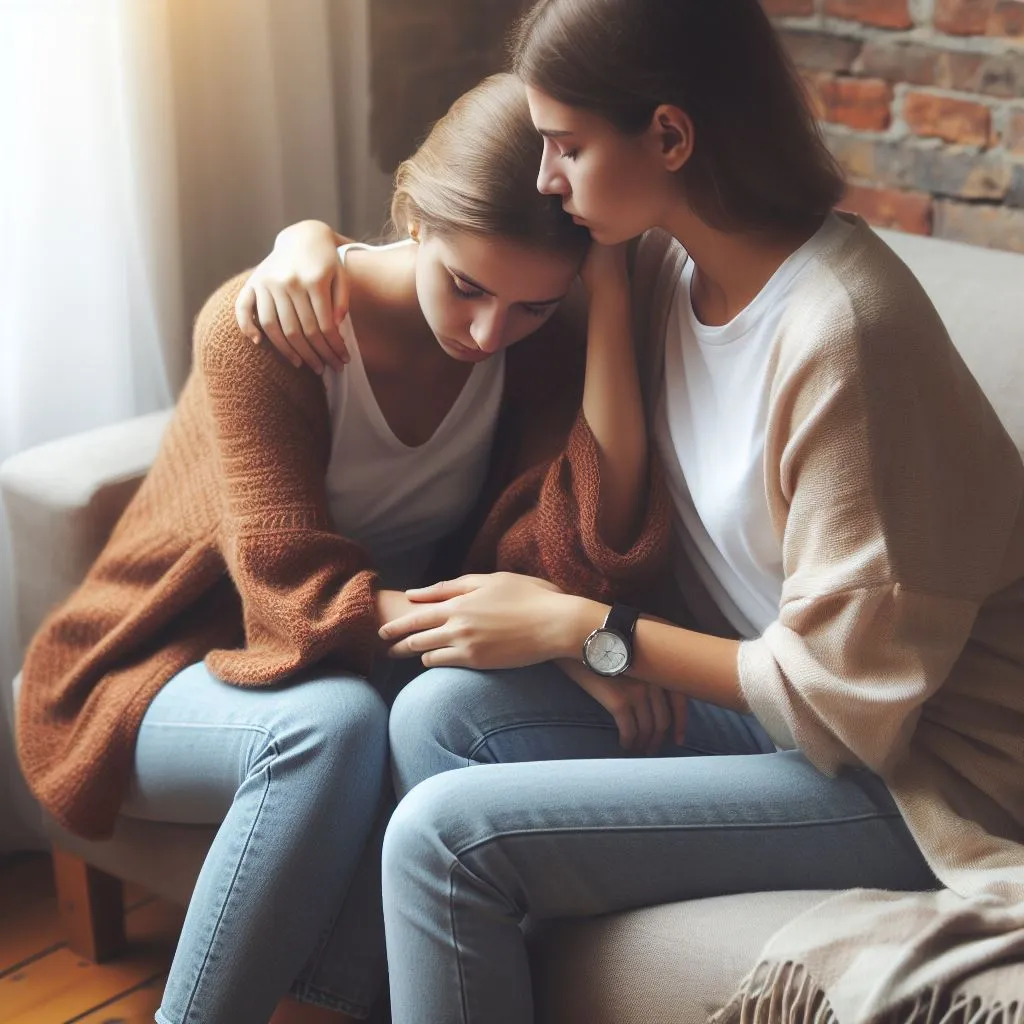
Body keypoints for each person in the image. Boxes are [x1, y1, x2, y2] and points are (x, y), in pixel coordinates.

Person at [256, 0, 1024, 1019]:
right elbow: (452, 244)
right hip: (769, 716)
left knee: (444, 839)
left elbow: (843, 699)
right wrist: (304, 243)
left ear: (668, 136)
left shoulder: (840, 331)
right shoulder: (663, 262)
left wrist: (587, 631)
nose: (546, 178)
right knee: (436, 706)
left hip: (913, 766)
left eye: (565, 146)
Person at [15, 72, 672, 1024]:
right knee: (330, 727)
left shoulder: (533, 344)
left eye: (532, 306)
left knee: (422, 714)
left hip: (361, 661)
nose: (488, 332)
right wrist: (559, 638)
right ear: (411, 218)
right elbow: (285, 594)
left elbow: (583, 555)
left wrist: (605, 289)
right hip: (158, 663)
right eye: (468, 286)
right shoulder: (271, 328)